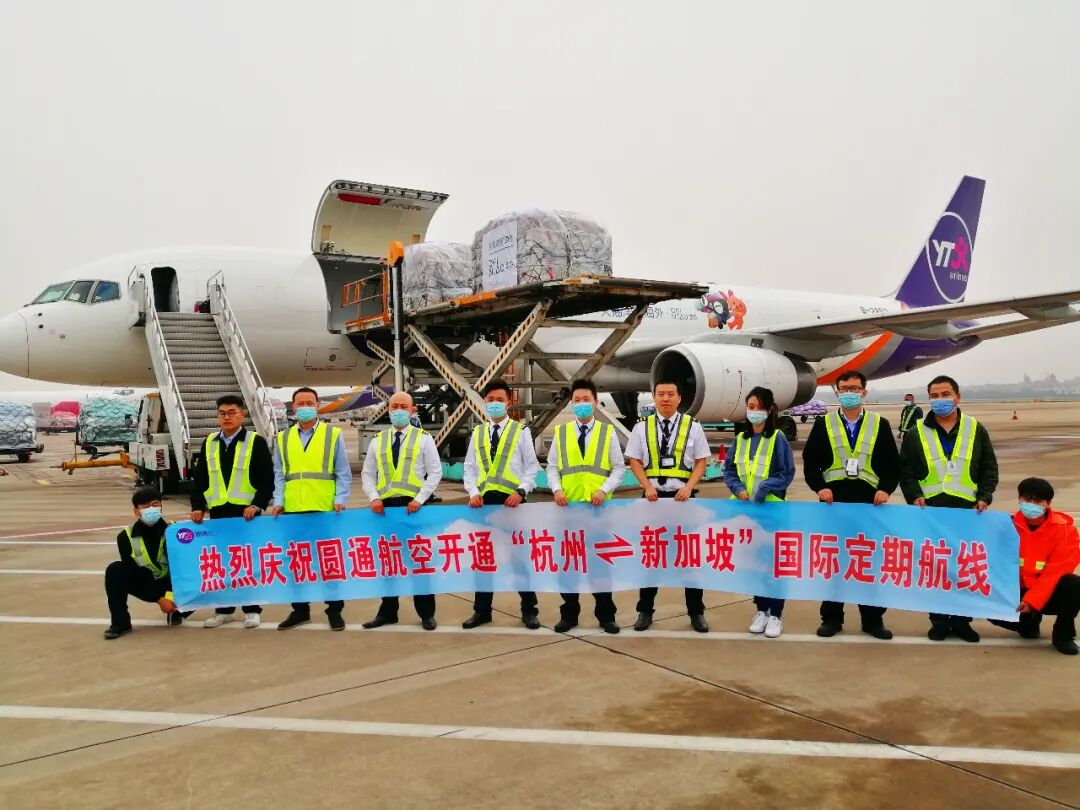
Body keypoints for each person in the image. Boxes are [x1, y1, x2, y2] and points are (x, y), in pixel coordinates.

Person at [900, 375, 998, 643]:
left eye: (945, 394)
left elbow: (989, 467)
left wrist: (985, 496)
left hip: (968, 510)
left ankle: (963, 621)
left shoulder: (975, 428)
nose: (940, 400)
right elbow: (905, 470)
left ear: (957, 397)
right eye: (934, 396)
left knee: (964, 567)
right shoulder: (916, 432)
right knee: (937, 568)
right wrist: (914, 495)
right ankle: (940, 621)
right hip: (931, 510)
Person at [802, 371, 900, 639]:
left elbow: (893, 464)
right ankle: (832, 618)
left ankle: (873, 620)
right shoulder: (824, 423)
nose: (849, 393)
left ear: (864, 392)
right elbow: (810, 462)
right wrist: (819, 487)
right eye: (844, 388)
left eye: (855, 389)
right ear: (837, 392)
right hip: (833, 504)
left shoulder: (879, 424)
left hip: (869, 506)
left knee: (867, 562)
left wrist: (885, 489)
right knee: (834, 563)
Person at [625, 379, 712, 633]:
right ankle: (645, 611)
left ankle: (696, 612)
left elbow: (702, 461)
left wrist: (689, 486)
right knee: (651, 557)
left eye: (670, 394)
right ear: (654, 397)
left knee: (689, 558)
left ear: (679, 398)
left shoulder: (692, 426)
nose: (665, 398)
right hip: (653, 500)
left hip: (682, 499)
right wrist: (646, 486)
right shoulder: (642, 427)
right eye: (661, 394)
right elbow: (634, 460)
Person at [548, 378, 626, 634]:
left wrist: (604, 490)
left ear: (595, 402)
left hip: (597, 510)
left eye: (586, 400)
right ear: (571, 404)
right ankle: (569, 614)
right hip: (568, 509)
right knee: (568, 565)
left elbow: (618, 468)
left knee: (599, 564)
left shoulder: (607, 432)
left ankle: (606, 615)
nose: (581, 404)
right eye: (577, 400)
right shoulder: (561, 432)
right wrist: (557, 489)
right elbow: (552, 467)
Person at [462, 380, 541, 630]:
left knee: (519, 559)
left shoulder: (521, 431)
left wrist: (521, 491)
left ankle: (529, 610)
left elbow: (532, 467)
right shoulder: (478, 433)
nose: (494, 404)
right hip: (484, 505)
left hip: (512, 504)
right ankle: (482, 611)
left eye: (499, 400)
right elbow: (469, 468)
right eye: (490, 400)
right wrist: (473, 492)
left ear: (509, 403)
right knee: (484, 559)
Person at [271, 387, 352, 631]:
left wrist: (340, 498)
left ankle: (334, 611)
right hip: (293, 509)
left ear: (317, 405)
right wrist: (278, 501)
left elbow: (343, 472)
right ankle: (300, 611)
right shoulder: (283, 437)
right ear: (293, 407)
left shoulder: (332, 434)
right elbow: (279, 474)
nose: (305, 407)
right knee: (296, 563)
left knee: (329, 562)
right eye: (300, 403)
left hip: (324, 508)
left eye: (310, 402)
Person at [361, 391, 443, 631]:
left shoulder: (424, 438)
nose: (398, 410)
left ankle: (426, 613)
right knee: (388, 563)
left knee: (419, 561)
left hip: (413, 508)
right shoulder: (378, 440)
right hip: (385, 509)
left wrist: (420, 499)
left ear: (412, 410)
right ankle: (388, 612)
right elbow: (368, 473)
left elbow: (435, 472)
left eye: (403, 407)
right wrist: (374, 497)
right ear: (387, 410)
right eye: (394, 406)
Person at [191, 394, 274, 629]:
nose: (226, 417)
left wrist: (256, 505)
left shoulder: (255, 441)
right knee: (222, 563)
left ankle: (252, 609)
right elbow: (200, 479)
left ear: (242, 415)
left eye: (232, 412)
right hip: (218, 513)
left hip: (247, 514)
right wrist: (197, 506)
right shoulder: (210, 442)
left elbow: (267, 480)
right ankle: (223, 610)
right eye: (222, 413)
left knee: (247, 561)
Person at [723, 387, 795, 639]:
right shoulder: (740, 440)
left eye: (759, 407)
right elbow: (729, 471)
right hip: (746, 511)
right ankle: (761, 610)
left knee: (773, 564)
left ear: (770, 410)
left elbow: (786, 472)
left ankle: (776, 614)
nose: (754, 411)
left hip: (771, 510)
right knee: (754, 563)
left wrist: (764, 489)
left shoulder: (778, 438)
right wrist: (738, 488)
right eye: (750, 407)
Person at [989, 478, 1079, 656]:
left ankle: (1063, 635)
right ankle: (1028, 623)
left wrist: (1032, 601)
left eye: (1038, 501)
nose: (1031, 505)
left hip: (1047, 593)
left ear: (1048, 503)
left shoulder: (1064, 530)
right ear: (1019, 499)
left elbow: (1056, 571)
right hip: (1017, 590)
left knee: (1074, 585)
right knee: (990, 607)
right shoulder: (1007, 526)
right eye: (1027, 499)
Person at [103, 487, 192, 639]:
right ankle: (121, 623)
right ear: (136, 512)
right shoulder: (125, 537)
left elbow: (183, 566)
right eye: (145, 506)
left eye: (155, 504)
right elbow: (133, 573)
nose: (151, 509)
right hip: (146, 582)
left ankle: (179, 609)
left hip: (173, 583)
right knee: (115, 570)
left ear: (161, 506)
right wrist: (159, 598)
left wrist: (170, 596)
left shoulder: (176, 531)